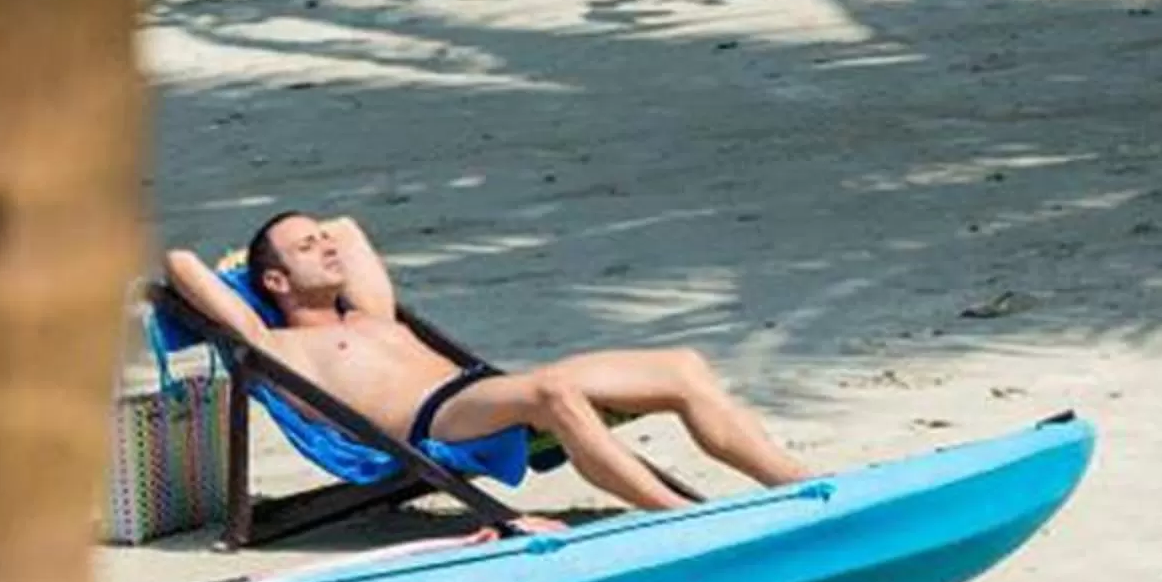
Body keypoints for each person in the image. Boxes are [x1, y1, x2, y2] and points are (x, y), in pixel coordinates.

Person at [161, 211, 817, 516]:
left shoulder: (371, 314)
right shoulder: (277, 348)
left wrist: (309, 239)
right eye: (308, 248)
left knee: (682, 366)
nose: (330, 250)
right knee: (554, 393)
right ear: (273, 281)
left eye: (322, 243)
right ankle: (678, 518)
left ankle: (799, 485)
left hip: (484, 393)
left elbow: (350, 226)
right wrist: (244, 274)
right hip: (431, 425)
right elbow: (178, 266)